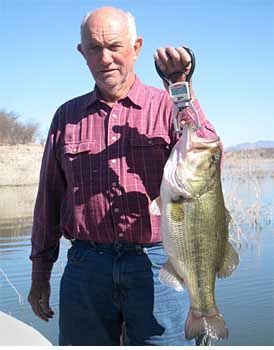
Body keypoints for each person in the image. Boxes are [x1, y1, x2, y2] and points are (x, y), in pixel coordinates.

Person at [28, 6, 219, 346]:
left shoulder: (166, 106)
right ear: (81, 52)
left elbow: (206, 148)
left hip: (158, 265)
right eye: (94, 48)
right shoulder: (66, 117)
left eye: (115, 46)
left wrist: (180, 87)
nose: (105, 58)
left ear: (137, 47)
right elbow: (49, 202)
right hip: (86, 267)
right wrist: (41, 273)